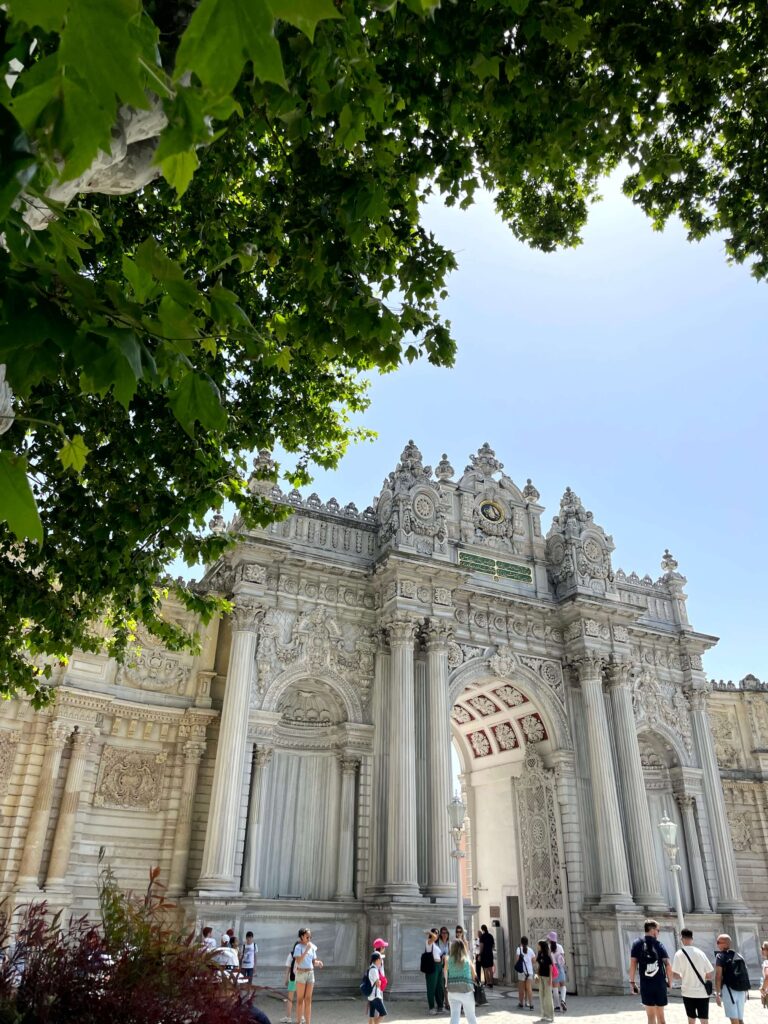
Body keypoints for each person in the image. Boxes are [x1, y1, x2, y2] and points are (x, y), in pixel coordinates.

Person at [629, 919, 672, 1024]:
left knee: (650, 1017)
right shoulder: (659, 945)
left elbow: (633, 964)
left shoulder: (637, 944)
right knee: (661, 1017)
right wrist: (670, 981)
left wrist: (632, 982)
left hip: (646, 984)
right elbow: (668, 965)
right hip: (660, 984)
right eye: (658, 930)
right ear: (653, 930)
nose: (658, 933)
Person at [671, 928, 714, 1024]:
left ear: (681, 938)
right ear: (692, 938)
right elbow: (709, 974)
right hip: (702, 992)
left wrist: (685, 976)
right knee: (704, 1020)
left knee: (691, 1020)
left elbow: (675, 975)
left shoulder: (679, 954)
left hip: (688, 992)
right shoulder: (700, 953)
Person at [714, 933, 750, 1024]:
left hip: (729, 989)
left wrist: (717, 993)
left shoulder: (720, 956)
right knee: (740, 1018)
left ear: (725, 944)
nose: (717, 944)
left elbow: (718, 975)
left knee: (733, 1019)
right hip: (742, 990)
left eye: (718, 942)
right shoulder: (738, 955)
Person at [292, 927, 324, 1024]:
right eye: (307, 936)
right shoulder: (298, 947)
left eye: (310, 937)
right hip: (301, 973)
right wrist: (306, 950)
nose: (309, 938)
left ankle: (308, 1022)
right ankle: (298, 1021)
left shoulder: (312, 947)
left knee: (308, 999)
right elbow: (298, 961)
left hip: (310, 973)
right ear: (302, 936)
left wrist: (318, 963)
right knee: (300, 999)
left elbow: (313, 961)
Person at [445, 938, 478, 1024]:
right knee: (471, 1016)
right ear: (463, 948)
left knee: (454, 1017)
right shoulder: (467, 960)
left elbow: (445, 974)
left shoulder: (448, 960)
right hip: (466, 991)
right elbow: (475, 976)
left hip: (452, 991)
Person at [424, 928, 445, 1015]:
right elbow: (434, 938)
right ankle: (431, 1007)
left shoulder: (436, 945)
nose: (436, 934)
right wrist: (429, 931)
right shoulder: (429, 942)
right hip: (432, 966)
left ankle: (440, 1006)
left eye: (437, 933)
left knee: (440, 987)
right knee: (431, 987)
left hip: (439, 966)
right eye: (435, 933)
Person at [535, 938, 555, 1023]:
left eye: (538, 945)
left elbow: (551, 967)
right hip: (541, 977)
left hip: (547, 977)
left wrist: (550, 979)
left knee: (548, 997)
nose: (537, 946)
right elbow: (539, 965)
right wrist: (537, 975)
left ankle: (550, 1015)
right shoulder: (539, 954)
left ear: (541, 946)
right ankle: (543, 1014)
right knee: (541, 995)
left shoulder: (547, 955)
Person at [515, 935, 536, 1010]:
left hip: (522, 972)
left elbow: (517, 960)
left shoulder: (518, 949)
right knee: (529, 988)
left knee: (521, 989)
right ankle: (531, 1005)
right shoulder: (530, 950)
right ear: (527, 942)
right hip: (529, 971)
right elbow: (534, 961)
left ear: (521, 942)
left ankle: (521, 1003)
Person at [366, 951, 388, 1021]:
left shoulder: (371, 967)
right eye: (380, 959)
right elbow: (378, 984)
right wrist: (380, 982)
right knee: (383, 1013)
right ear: (377, 960)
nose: (381, 961)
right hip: (375, 996)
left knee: (371, 1016)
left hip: (371, 996)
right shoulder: (374, 970)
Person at [548, 934, 567, 1014]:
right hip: (560, 967)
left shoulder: (548, 948)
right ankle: (563, 1000)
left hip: (553, 967)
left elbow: (548, 960)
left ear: (550, 939)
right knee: (563, 985)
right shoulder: (560, 947)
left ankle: (557, 1006)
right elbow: (563, 958)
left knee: (555, 988)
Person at [281, 943, 297, 1024]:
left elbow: (288, 968)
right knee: (301, 999)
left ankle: (288, 1017)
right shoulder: (304, 954)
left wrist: (286, 979)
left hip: (293, 979)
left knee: (290, 999)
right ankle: (301, 1017)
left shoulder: (291, 954)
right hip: (302, 980)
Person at [760, 940, 768, 1008]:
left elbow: (767, 976)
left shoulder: (766, 962)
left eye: (763, 948)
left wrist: (763, 989)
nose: (761, 950)